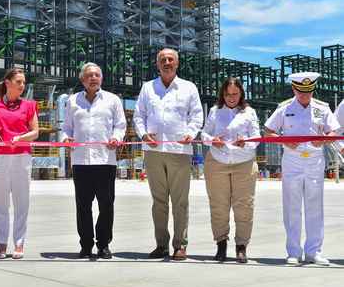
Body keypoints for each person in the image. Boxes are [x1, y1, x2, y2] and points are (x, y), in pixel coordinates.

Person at [133, 48, 203, 260]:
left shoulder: (188, 88)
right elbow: (138, 116)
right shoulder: (148, 88)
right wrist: (144, 135)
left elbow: (197, 115)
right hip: (153, 152)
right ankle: (161, 244)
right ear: (157, 64)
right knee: (159, 201)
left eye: (170, 59)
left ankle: (180, 245)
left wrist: (191, 133)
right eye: (163, 59)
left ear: (177, 63)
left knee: (180, 201)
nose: (167, 62)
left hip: (179, 151)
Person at [264, 72, 339, 266]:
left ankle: (314, 252)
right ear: (294, 89)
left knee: (315, 207)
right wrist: (284, 143)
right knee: (292, 207)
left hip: (315, 160)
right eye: (301, 92)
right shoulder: (284, 108)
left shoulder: (322, 108)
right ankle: (293, 252)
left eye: (308, 92)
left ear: (312, 89)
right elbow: (269, 132)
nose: (305, 96)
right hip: (292, 160)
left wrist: (325, 138)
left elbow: (332, 131)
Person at [61, 62, 126, 259]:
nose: (93, 78)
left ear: (101, 78)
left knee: (106, 205)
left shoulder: (113, 100)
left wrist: (117, 137)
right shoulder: (73, 101)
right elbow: (66, 128)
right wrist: (66, 139)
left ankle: (104, 244)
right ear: (82, 79)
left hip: (105, 160)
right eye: (89, 75)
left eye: (97, 75)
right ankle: (86, 244)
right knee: (83, 205)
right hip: (81, 162)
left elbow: (120, 125)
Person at [0, 68, 39, 260]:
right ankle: (1, 243)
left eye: (23, 82)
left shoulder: (29, 106)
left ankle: (19, 243)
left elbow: (36, 132)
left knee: (21, 202)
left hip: (21, 157)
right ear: (7, 83)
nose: (22, 86)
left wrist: (21, 138)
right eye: (18, 82)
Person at [201, 77, 260, 263]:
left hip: (244, 163)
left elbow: (257, 137)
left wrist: (247, 143)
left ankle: (241, 246)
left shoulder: (249, 112)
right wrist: (212, 140)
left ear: (241, 93)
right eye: (227, 94)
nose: (231, 98)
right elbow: (204, 134)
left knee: (244, 206)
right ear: (222, 94)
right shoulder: (214, 111)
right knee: (219, 205)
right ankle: (221, 245)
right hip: (218, 162)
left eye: (235, 94)